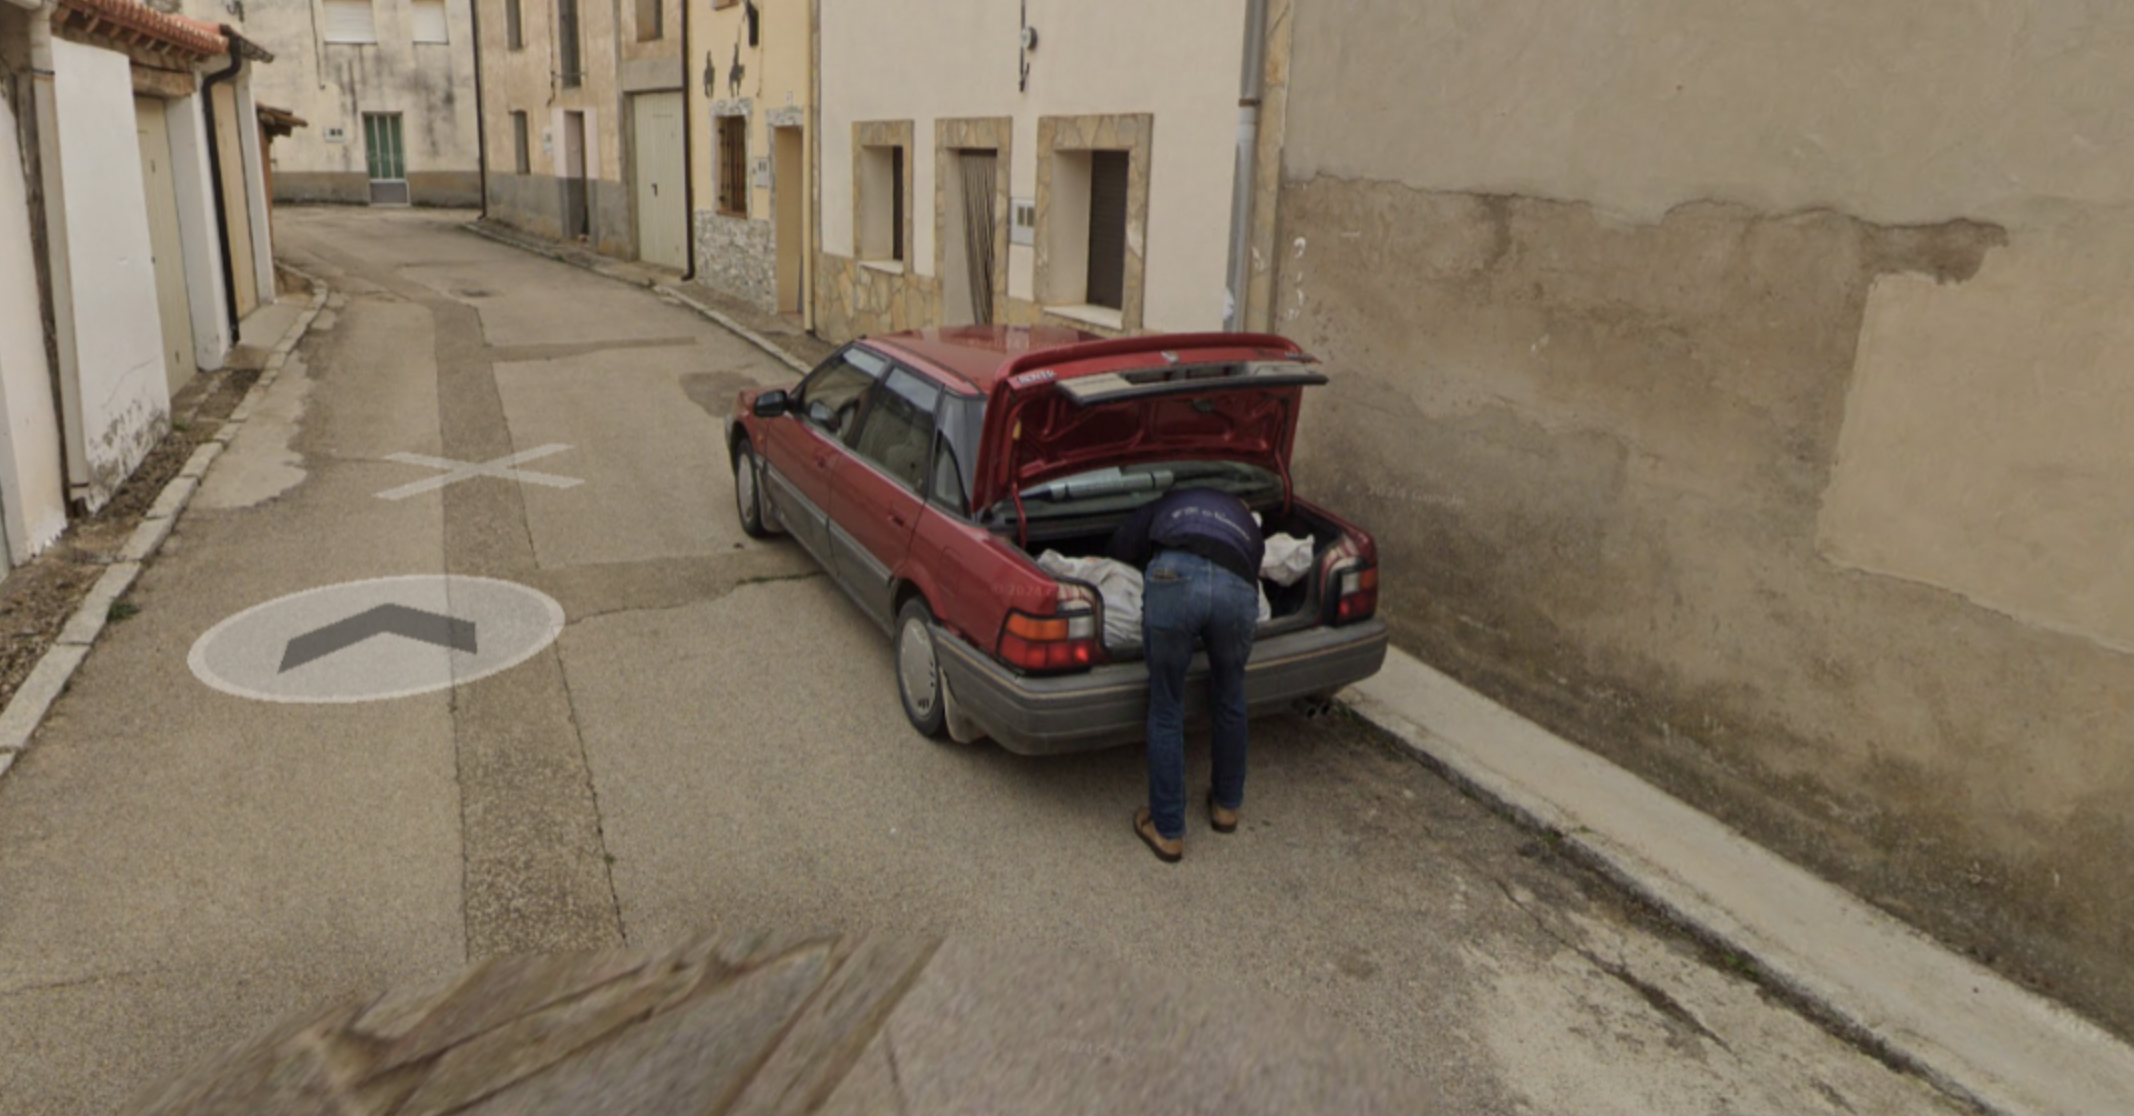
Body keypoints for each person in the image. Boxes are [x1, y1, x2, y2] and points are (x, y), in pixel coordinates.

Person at [1108, 486, 1265, 863]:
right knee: (1230, 694)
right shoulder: (1245, 521)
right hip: (1236, 589)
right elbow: (1254, 566)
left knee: (1166, 707)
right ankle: (1226, 807)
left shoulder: (1167, 503)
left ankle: (1167, 830)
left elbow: (1121, 546)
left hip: (1173, 576)